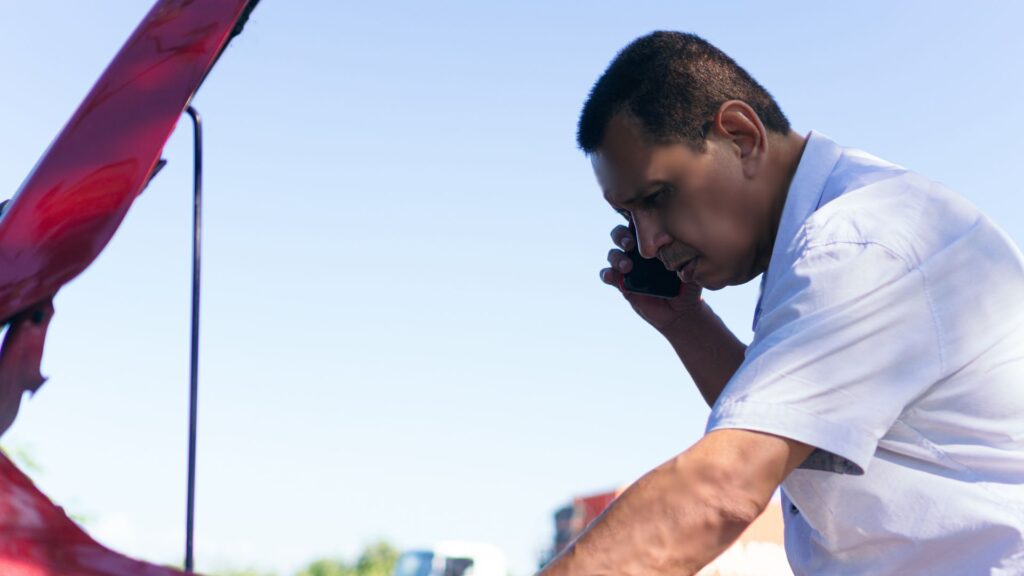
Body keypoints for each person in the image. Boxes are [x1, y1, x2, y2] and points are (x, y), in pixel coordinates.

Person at [538, 31, 1024, 575]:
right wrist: (686, 323)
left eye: (656, 198)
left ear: (741, 137)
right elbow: (802, 441)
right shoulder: (835, 239)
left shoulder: (858, 242)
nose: (647, 242)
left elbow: (723, 490)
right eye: (630, 217)